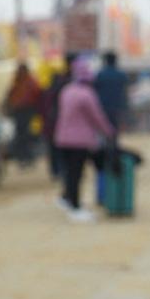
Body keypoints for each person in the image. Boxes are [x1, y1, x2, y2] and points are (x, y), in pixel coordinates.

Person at [53, 56, 114, 224]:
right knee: (77, 173)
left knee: (70, 173)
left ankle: (68, 199)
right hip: (79, 141)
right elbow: (97, 117)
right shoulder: (87, 94)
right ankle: (75, 207)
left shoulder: (66, 91)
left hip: (62, 138)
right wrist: (109, 131)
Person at [3, 62, 42, 166]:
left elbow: (36, 95)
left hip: (26, 111)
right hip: (21, 111)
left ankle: (26, 157)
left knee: (24, 134)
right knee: (23, 134)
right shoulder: (21, 82)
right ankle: (24, 157)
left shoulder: (25, 82)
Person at [93, 51, 128, 134]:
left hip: (103, 105)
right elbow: (125, 92)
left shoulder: (100, 75)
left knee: (104, 128)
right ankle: (114, 144)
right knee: (115, 127)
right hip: (117, 106)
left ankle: (106, 144)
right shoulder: (121, 75)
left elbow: (95, 91)